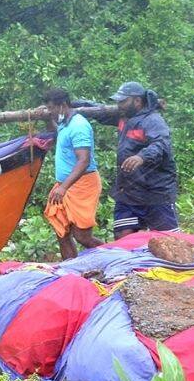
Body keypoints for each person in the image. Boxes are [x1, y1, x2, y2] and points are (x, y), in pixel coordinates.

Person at [104, 82, 179, 239]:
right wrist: (74, 105)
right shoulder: (124, 118)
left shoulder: (153, 121)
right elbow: (96, 109)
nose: (119, 105)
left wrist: (141, 156)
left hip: (156, 192)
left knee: (167, 241)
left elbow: (161, 144)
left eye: (123, 101)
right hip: (129, 191)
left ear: (137, 101)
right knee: (123, 238)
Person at [42, 88, 104, 260]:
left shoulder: (79, 125)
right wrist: (47, 119)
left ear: (62, 105)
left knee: (82, 236)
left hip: (82, 184)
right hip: (65, 184)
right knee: (61, 232)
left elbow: (83, 160)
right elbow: (59, 136)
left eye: (51, 108)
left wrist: (63, 187)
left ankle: (114, 258)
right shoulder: (65, 123)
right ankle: (71, 271)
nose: (50, 111)